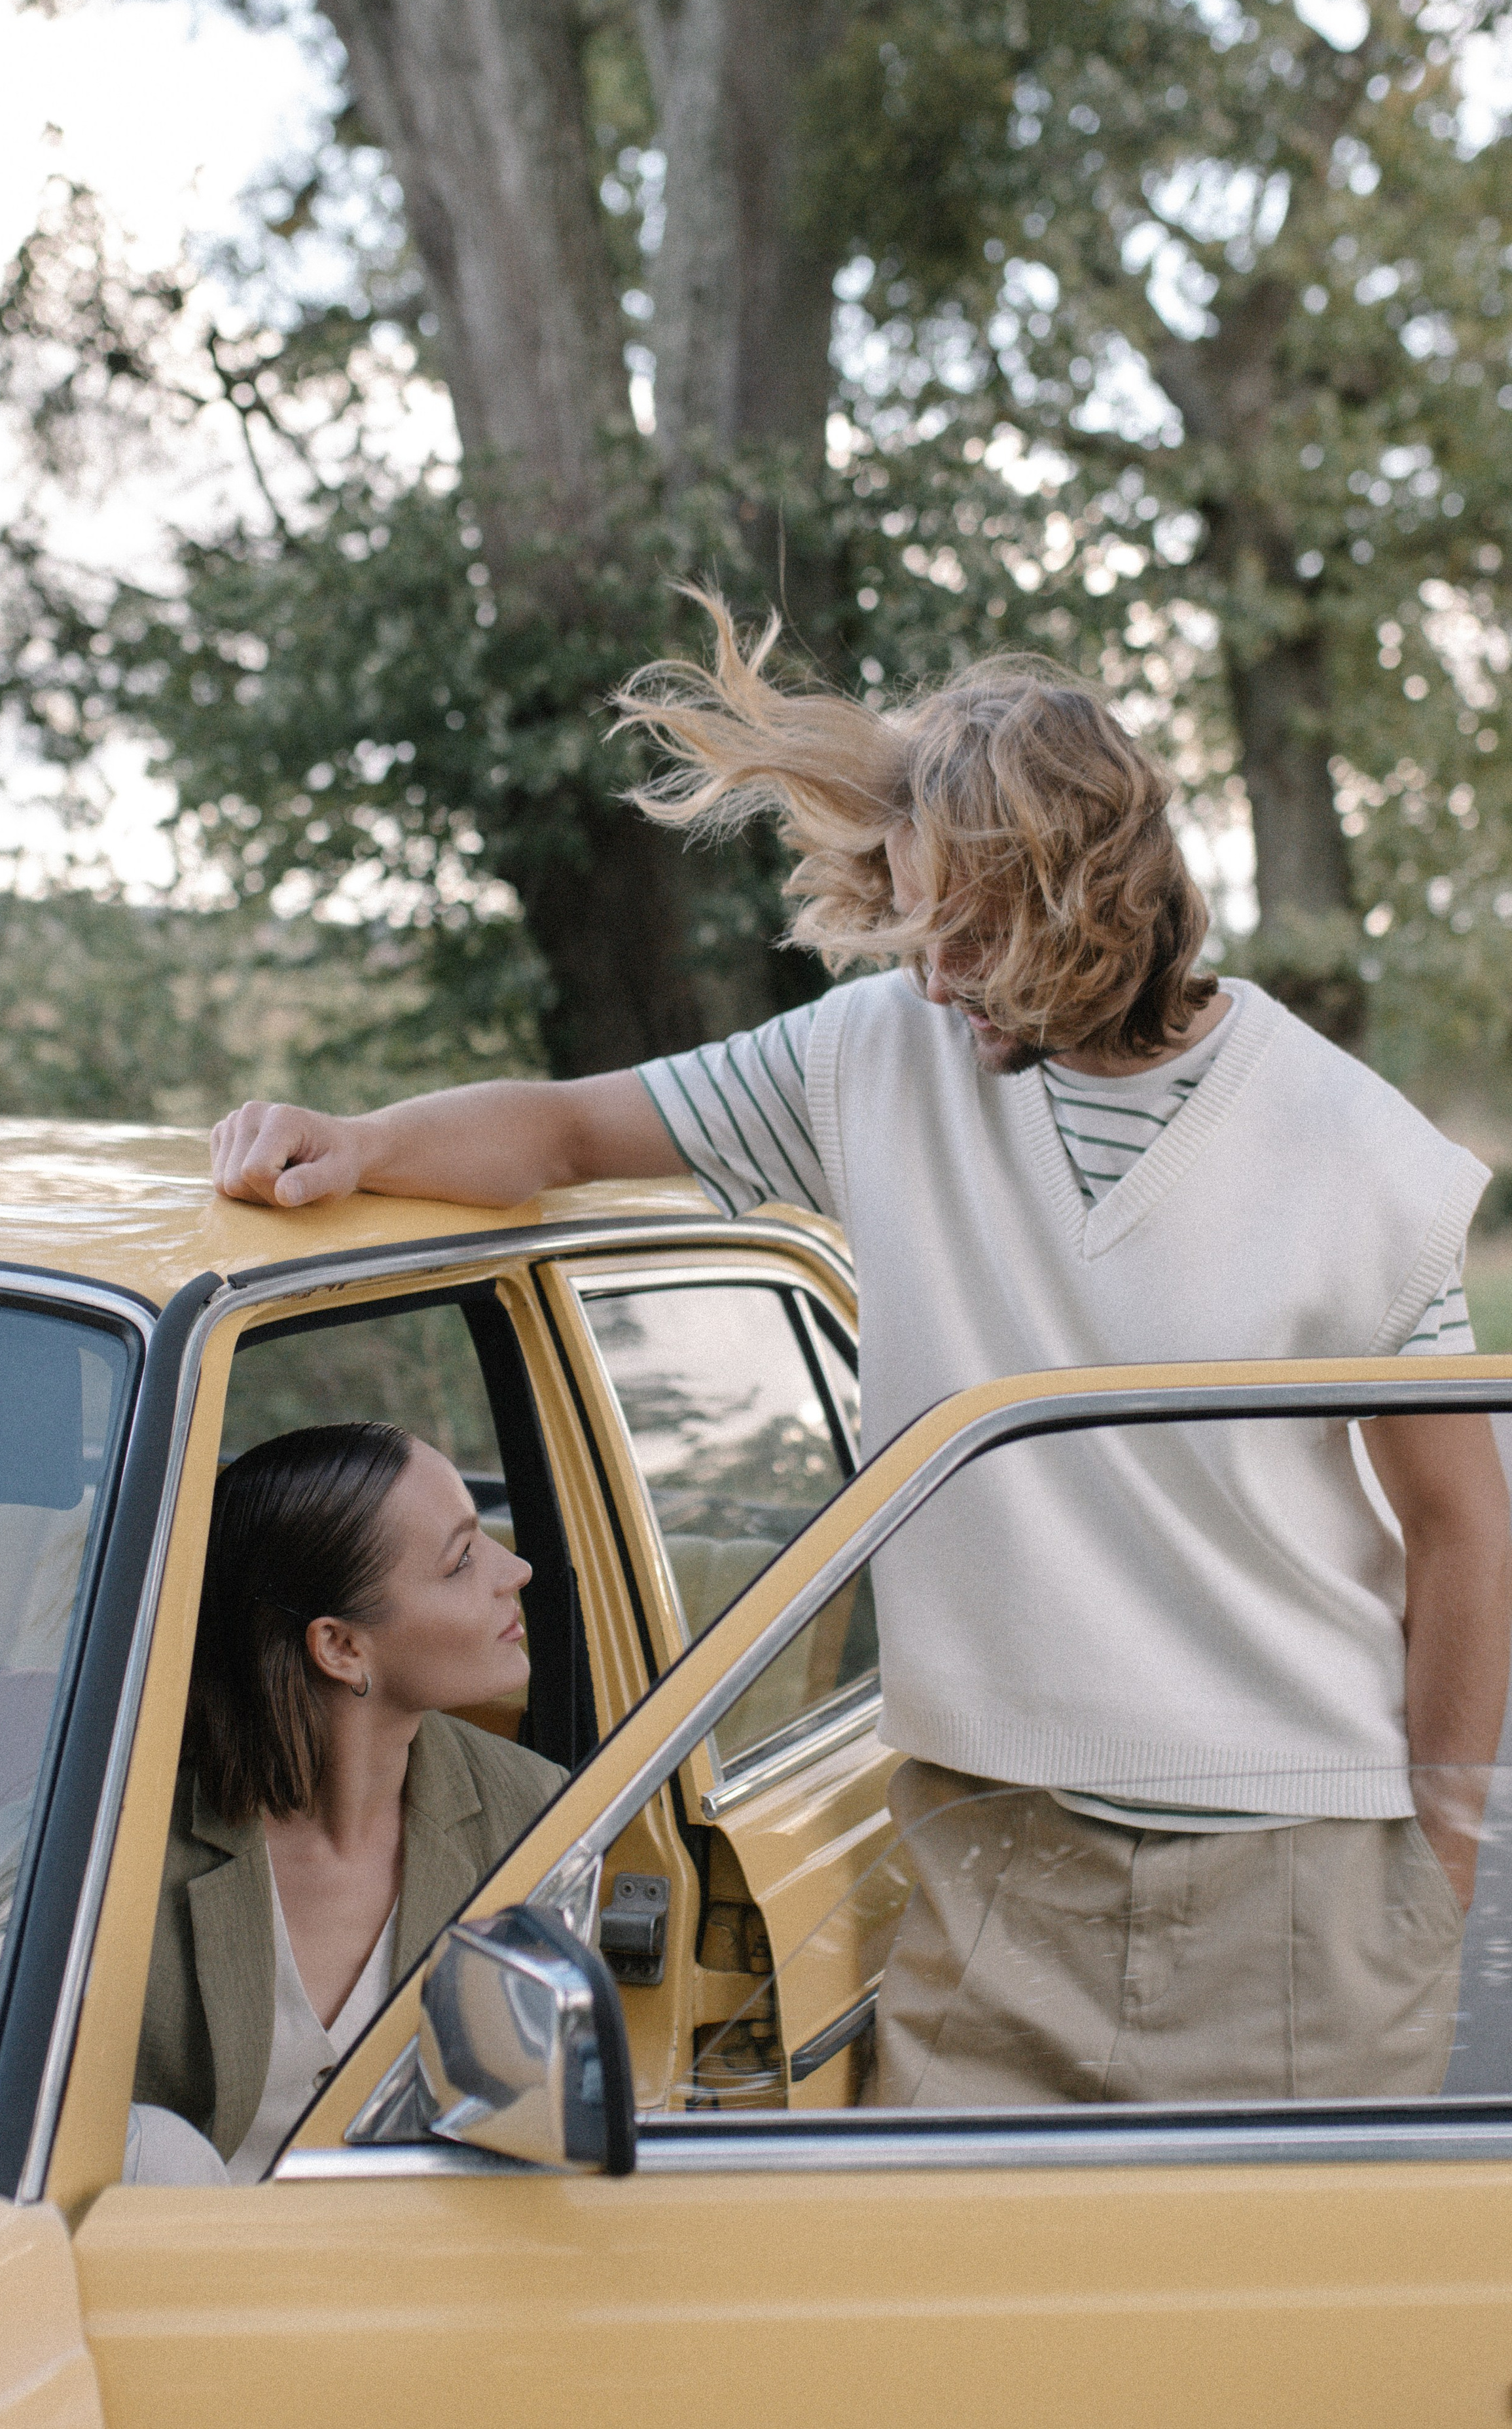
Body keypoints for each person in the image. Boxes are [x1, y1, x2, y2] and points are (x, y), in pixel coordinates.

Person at [208, 602, 1511, 2108]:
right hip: (989, 1856)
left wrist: (1438, 1850)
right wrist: (357, 1140)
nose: (937, 972)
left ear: (1090, 898)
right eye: (909, 920)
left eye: (967, 930)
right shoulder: (869, 1052)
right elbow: (565, 1127)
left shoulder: (1353, 1149)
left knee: (1266, 2343)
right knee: (945, 2337)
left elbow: (1460, 1523)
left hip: (1298, 1875)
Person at [132, 1420, 564, 2177]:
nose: (517, 1569)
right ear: (340, 1648)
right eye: (463, 1561)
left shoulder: (535, 1815)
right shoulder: (122, 1834)